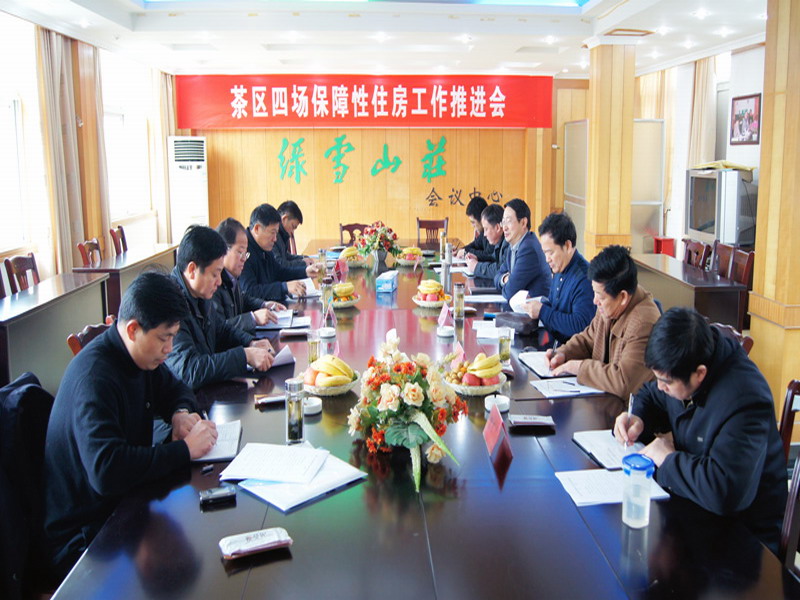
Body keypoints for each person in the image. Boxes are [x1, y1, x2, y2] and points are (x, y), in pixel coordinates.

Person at [43, 271, 219, 579]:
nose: (169, 348)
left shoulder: (140, 356)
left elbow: (177, 389)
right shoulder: (95, 379)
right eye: (164, 338)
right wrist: (184, 450)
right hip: (86, 538)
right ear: (133, 329)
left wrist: (179, 412)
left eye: (174, 337)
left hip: (123, 503)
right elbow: (106, 471)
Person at [614, 308, 787, 554]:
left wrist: (668, 459)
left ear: (700, 374)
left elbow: (724, 491)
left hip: (744, 540)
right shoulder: (684, 365)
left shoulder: (746, 399)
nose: (660, 386)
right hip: (695, 510)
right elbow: (650, 395)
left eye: (666, 382)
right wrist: (637, 418)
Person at [167, 225, 275, 389]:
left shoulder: (199, 293)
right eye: (214, 274)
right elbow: (190, 371)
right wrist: (244, 356)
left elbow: (221, 330)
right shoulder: (171, 306)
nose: (219, 281)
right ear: (192, 270)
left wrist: (250, 343)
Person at [547, 245, 660, 401]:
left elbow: (624, 382)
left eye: (600, 296)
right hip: (604, 402)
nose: (595, 301)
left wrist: (579, 368)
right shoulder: (611, 304)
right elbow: (588, 339)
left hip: (628, 411)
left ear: (623, 297)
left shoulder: (643, 324)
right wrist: (563, 353)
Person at [524, 212, 595, 343]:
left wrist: (542, 311)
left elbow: (581, 326)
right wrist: (537, 304)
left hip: (573, 352)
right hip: (555, 346)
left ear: (567, 246)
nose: (547, 259)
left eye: (550, 253)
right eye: (544, 253)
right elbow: (556, 308)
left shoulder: (584, 278)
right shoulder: (560, 268)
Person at [214, 217, 287, 333]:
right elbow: (219, 329)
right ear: (223, 251)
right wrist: (253, 318)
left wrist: (264, 304)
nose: (244, 259)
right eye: (240, 252)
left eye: (245, 253)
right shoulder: (214, 283)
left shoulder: (231, 276)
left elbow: (242, 299)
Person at [240, 203, 321, 301]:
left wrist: (305, 271)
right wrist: (284, 287)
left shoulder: (264, 246)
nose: (275, 239)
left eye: (276, 233)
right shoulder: (243, 250)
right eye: (272, 233)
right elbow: (250, 291)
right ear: (257, 229)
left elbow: (278, 271)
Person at [493, 198, 551, 300]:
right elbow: (497, 276)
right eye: (503, 222)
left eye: (508, 221)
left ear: (523, 223)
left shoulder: (529, 249)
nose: (504, 228)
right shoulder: (513, 245)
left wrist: (507, 282)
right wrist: (505, 279)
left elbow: (510, 292)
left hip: (534, 309)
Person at [465, 203, 507, 280]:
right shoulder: (499, 243)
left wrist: (476, 267)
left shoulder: (508, 243)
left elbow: (500, 269)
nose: (484, 234)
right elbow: (492, 257)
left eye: (486, 229)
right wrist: (477, 258)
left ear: (497, 227)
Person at [274, 200, 314, 268]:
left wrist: (303, 258)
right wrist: (303, 263)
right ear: (284, 218)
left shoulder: (282, 234)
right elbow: (280, 264)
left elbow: (286, 256)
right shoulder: (273, 236)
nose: (292, 232)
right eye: (293, 226)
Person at [457, 196, 493, 262]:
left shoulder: (492, 232)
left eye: (473, 222)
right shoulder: (483, 233)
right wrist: (460, 250)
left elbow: (488, 255)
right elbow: (475, 245)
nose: (472, 226)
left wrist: (466, 252)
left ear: (482, 219)